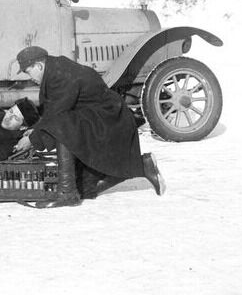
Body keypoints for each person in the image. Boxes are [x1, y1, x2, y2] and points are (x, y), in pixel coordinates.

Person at [13, 45, 164, 208]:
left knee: (62, 125)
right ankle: (142, 166)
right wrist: (35, 129)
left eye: (28, 71)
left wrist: (32, 139)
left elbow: (57, 114)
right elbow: (52, 108)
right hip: (99, 119)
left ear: (39, 66)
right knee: (85, 189)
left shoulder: (60, 75)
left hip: (110, 121)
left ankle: (67, 193)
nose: (30, 77)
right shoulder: (55, 69)